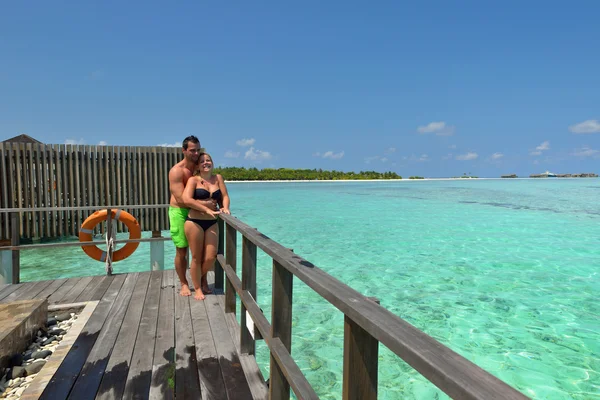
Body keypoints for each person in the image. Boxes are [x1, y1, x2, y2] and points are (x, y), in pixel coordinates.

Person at [168, 136, 219, 297]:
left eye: (198, 149)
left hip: (200, 213)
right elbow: (182, 199)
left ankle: (201, 280)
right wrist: (206, 206)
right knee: (182, 251)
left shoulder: (199, 168)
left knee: (205, 253)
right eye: (192, 150)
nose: (196, 153)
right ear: (184, 150)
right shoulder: (177, 171)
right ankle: (184, 283)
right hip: (180, 212)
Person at [182, 152, 231, 300]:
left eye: (208, 160)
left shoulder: (218, 178)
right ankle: (197, 287)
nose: (205, 163)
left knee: (211, 256)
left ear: (212, 163)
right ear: (198, 165)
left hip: (212, 222)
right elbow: (186, 199)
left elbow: (225, 196)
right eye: (202, 161)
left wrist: (225, 207)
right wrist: (206, 209)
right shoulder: (193, 180)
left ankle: (202, 277)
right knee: (196, 257)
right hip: (194, 222)